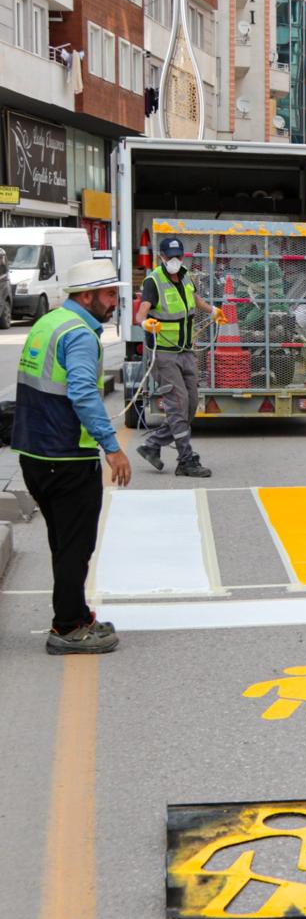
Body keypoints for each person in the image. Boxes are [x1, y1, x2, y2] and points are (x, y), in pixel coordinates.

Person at [13, 259, 133, 655]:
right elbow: (82, 393)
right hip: (65, 457)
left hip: (35, 454)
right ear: (87, 296)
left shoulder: (49, 322)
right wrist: (112, 447)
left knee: (64, 542)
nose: (115, 301)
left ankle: (77, 614)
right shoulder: (80, 335)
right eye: (109, 294)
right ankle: (68, 628)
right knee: (75, 546)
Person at [133, 236, 225, 478]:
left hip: (185, 351)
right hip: (163, 353)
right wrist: (146, 323)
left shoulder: (185, 275)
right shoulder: (153, 281)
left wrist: (213, 310)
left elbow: (193, 298)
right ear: (161, 257)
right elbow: (140, 313)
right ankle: (186, 460)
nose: (174, 260)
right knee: (178, 404)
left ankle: (152, 445)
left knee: (191, 403)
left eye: (178, 256)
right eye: (169, 256)